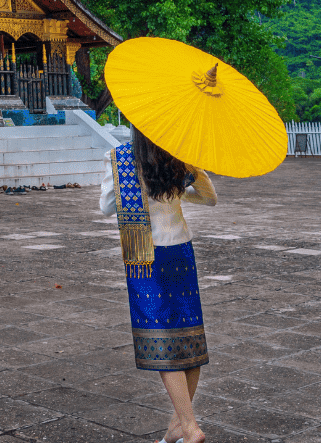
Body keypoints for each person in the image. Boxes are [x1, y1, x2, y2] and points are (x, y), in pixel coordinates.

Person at [101, 126, 217, 443]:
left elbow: (106, 206)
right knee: (189, 337)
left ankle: (190, 429)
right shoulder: (181, 156)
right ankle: (175, 429)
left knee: (162, 343)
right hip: (180, 250)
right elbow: (210, 198)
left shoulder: (120, 158)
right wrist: (180, 185)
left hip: (145, 256)